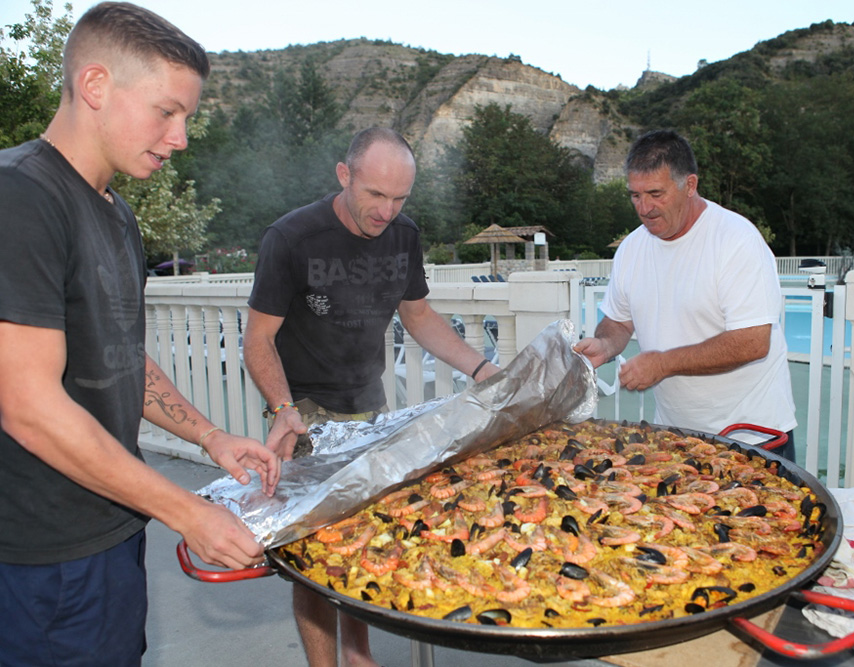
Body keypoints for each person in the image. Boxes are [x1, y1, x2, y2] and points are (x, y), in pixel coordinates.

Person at [0, 3, 281, 665]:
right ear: (96, 86)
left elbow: (120, 356)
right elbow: (28, 406)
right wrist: (188, 512)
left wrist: (210, 435)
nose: (181, 137)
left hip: (111, 530)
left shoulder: (117, 214)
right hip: (40, 557)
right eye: (167, 111)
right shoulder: (20, 197)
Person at [244, 126, 500, 666]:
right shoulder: (291, 238)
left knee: (368, 538)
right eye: (376, 195)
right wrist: (282, 409)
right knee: (313, 554)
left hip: (369, 406)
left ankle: (358, 655)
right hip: (303, 413)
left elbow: (419, 317)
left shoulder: (404, 235)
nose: (387, 211)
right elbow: (258, 338)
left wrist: (482, 368)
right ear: (345, 176)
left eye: (400, 198)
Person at [575, 129, 796, 460]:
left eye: (655, 194)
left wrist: (663, 363)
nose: (644, 208)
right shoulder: (632, 248)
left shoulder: (736, 240)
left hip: (752, 435)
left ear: (689, 185)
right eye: (635, 196)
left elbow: (753, 341)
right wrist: (605, 345)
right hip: (675, 438)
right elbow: (619, 322)